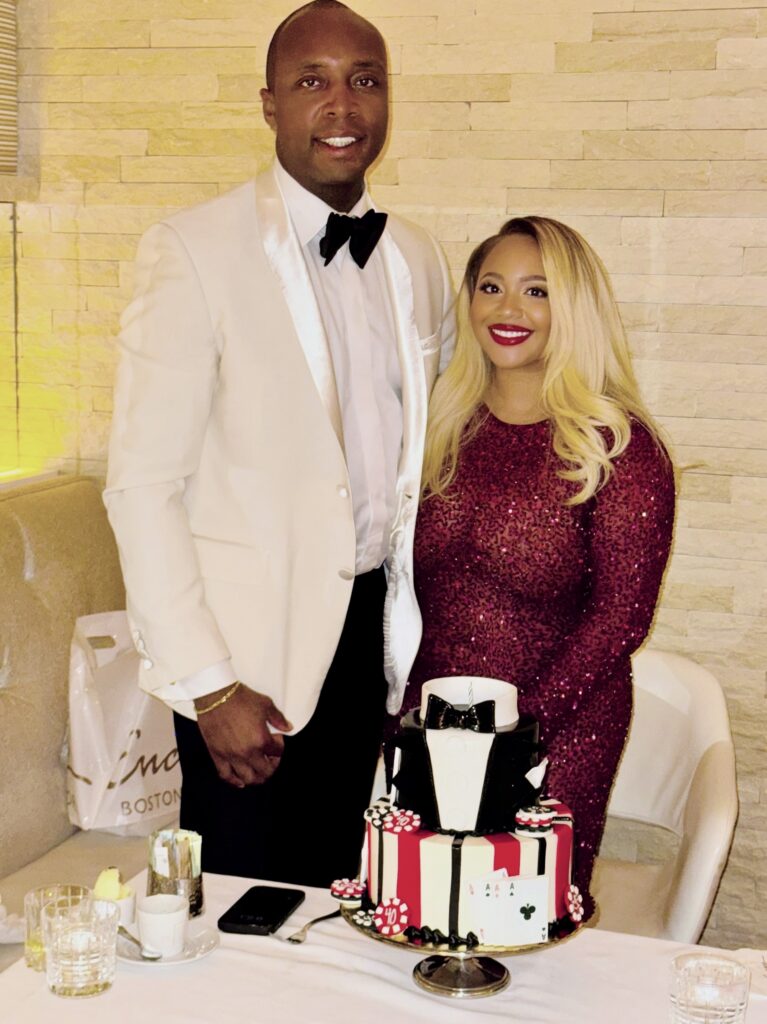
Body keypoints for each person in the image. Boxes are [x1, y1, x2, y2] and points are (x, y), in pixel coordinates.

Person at [104, 0, 455, 887]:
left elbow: (425, 453)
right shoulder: (192, 250)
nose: (342, 105)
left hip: (376, 636)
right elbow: (142, 487)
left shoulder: (417, 259)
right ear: (269, 104)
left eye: (364, 81)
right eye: (312, 82)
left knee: (343, 896)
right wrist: (209, 686)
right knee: (239, 915)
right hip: (247, 660)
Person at [389, 216, 675, 921]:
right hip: (431, 723)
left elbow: (621, 618)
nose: (507, 310)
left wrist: (512, 731)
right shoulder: (433, 427)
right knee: (430, 913)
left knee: (518, 919)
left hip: (560, 727)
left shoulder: (617, 446)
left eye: (536, 291)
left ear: (571, 309)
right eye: (490, 287)